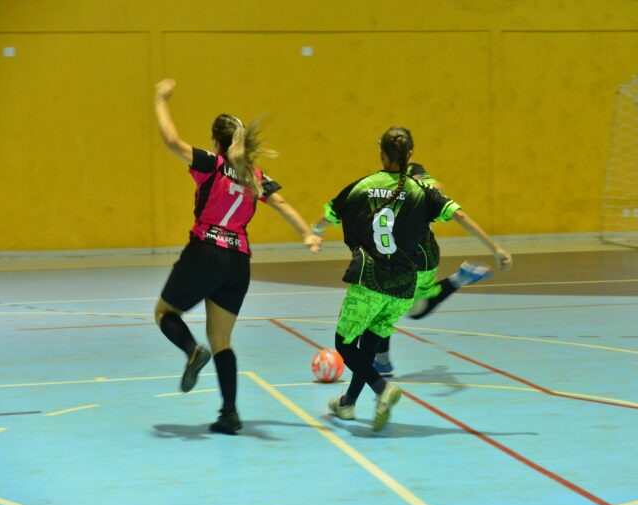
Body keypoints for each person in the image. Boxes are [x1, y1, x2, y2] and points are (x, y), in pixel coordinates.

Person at [312, 127, 512, 432]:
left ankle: (382, 388)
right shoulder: (423, 192)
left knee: (345, 342)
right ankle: (348, 404)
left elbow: (331, 213)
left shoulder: (363, 187)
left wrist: (314, 230)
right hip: (405, 285)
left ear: (380, 154)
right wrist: (496, 248)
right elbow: (460, 215)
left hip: (370, 280)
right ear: (411, 156)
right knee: (370, 343)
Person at [153, 78, 321, 435]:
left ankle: (190, 350)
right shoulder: (253, 175)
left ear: (216, 141)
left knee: (165, 313)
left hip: (206, 250)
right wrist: (306, 233)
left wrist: (160, 101)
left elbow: (171, 142)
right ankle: (229, 414)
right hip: (238, 262)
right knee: (223, 342)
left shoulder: (211, 164)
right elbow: (282, 204)